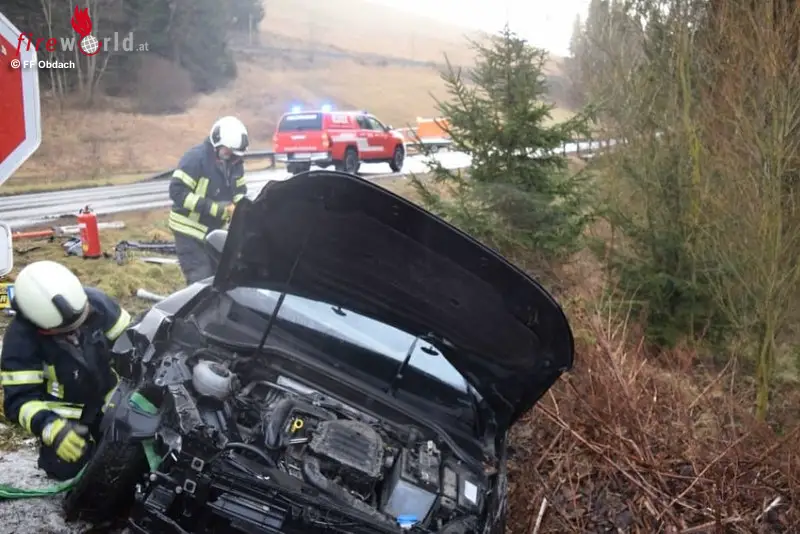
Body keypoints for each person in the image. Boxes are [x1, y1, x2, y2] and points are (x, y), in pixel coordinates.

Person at [0, 261, 132, 481]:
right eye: (67, 330)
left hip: (113, 403)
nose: (77, 331)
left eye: (82, 319)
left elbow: (136, 346)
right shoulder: (19, 342)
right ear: (43, 327)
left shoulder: (98, 304)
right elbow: (19, 401)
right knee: (70, 470)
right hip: (67, 423)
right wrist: (51, 427)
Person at [168, 115, 249, 284]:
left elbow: (240, 192)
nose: (231, 157)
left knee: (220, 277)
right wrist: (215, 209)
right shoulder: (195, 159)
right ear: (216, 143)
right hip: (188, 231)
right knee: (201, 279)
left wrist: (242, 210)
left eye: (234, 155)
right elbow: (177, 192)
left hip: (212, 232)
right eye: (228, 152)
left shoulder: (235, 163)